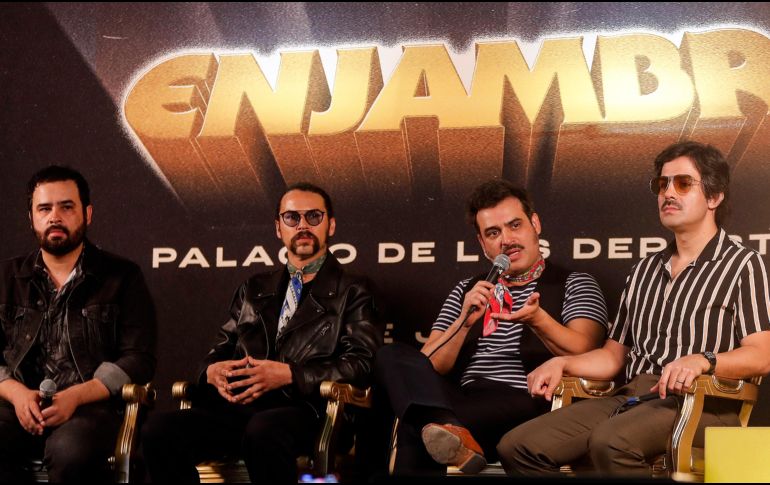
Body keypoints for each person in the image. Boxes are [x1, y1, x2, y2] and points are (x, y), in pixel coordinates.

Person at [496, 141, 770, 477]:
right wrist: (563, 361)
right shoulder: (643, 270)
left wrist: (704, 360)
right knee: (518, 446)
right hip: (633, 396)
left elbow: (762, 354)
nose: (668, 193)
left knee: (610, 442)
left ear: (714, 197)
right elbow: (613, 357)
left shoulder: (742, 263)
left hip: (703, 405)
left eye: (683, 183)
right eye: (662, 184)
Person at [142, 183, 383, 483]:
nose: (303, 226)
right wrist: (212, 371)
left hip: (312, 411)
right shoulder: (253, 288)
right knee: (159, 431)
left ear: (331, 225)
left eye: (314, 217)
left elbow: (361, 365)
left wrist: (291, 375)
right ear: (278, 228)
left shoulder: (354, 290)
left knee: (264, 429)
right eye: (292, 218)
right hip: (243, 409)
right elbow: (219, 350)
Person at [376, 180, 608, 475]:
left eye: (515, 225)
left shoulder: (576, 282)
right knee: (390, 355)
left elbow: (585, 349)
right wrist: (464, 323)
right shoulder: (467, 289)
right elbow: (429, 364)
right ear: (482, 243)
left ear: (535, 224)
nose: (507, 240)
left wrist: (538, 320)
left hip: (527, 399)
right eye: (493, 233)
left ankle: (445, 429)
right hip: (464, 397)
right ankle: (445, 427)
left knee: (416, 427)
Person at [0, 165, 157, 483]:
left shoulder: (122, 276)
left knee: (73, 450)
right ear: (31, 218)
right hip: (16, 406)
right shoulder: (5, 278)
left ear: (87, 213)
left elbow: (138, 358)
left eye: (66, 206)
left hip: (93, 410)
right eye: (44, 208)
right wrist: (17, 394)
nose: (54, 217)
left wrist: (75, 397)